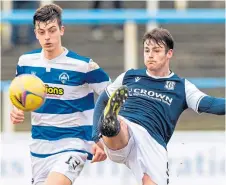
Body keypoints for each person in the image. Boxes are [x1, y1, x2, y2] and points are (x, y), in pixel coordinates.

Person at [92, 28, 225, 185]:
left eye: (156, 50)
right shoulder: (130, 76)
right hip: (129, 128)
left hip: (153, 141)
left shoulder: (181, 86)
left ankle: (110, 124)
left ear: (169, 54)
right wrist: (95, 136)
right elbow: (102, 100)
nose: (150, 54)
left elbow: (210, 105)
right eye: (147, 50)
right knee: (120, 126)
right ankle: (110, 124)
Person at [10, 4, 108, 185]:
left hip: (74, 143)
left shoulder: (83, 66)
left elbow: (110, 96)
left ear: (61, 30)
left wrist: (100, 135)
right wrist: (16, 109)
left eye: (52, 30)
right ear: (35, 33)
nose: (47, 37)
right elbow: (19, 95)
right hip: (39, 145)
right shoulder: (26, 62)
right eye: (41, 32)